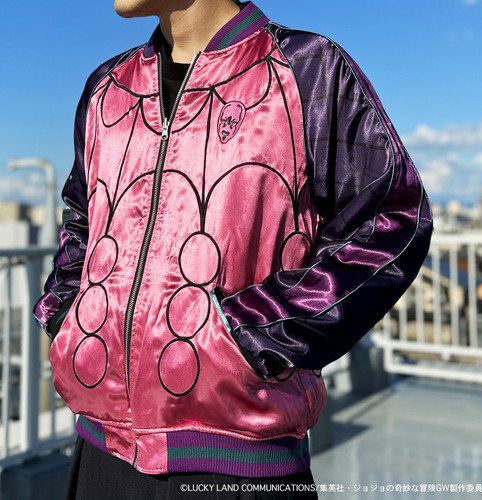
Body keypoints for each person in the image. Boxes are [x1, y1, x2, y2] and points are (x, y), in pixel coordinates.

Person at [32, 0, 434, 498]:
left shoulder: (306, 68)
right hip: (99, 448)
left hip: (242, 460)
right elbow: (81, 215)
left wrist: (248, 335)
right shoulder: (107, 88)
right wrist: (67, 316)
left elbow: (391, 219)